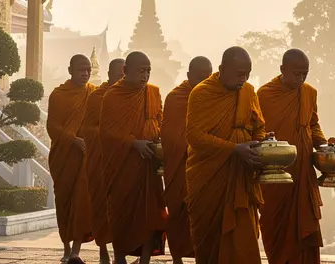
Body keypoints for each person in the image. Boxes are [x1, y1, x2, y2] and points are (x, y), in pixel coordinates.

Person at [185, 46, 267, 264]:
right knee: (210, 241)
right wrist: (234, 149)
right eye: (239, 73)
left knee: (244, 240)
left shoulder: (249, 91)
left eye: (247, 73)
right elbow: (195, 136)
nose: (244, 78)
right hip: (209, 175)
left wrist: (261, 142)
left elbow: (258, 125)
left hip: (241, 176)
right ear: (221, 69)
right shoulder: (201, 93)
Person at [258, 48, 328, 264]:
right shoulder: (264, 95)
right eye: (296, 74)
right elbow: (256, 129)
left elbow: (312, 124)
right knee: (274, 223)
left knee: (305, 227)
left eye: (304, 74)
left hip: (303, 172)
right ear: (282, 70)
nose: (301, 79)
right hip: (274, 175)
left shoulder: (309, 93)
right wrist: (263, 137)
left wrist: (325, 145)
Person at [99, 51, 166, 264]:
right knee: (121, 214)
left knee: (149, 214)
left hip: (148, 165)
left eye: (148, 71)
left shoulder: (153, 93)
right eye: (141, 71)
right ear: (126, 71)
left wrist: (158, 141)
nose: (145, 75)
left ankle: (145, 259)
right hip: (122, 166)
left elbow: (160, 121)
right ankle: (119, 258)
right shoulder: (113, 95)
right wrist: (133, 142)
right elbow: (107, 131)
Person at [161, 56, 213, 264]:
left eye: (207, 78)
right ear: (189, 75)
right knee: (178, 212)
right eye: (200, 77)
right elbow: (170, 134)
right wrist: (195, 146)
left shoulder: (213, 98)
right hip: (180, 165)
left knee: (205, 213)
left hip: (206, 166)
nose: (203, 82)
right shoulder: (176, 98)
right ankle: (177, 259)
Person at [46, 54, 97, 263]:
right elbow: (52, 127)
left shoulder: (93, 94)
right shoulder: (58, 95)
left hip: (85, 157)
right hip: (64, 156)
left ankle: (76, 251)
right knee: (64, 201)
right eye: (80, 70)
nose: (85, 74)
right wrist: (74, 139)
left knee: (82, 202)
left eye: (88, 70)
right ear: (70, 70)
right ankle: (66, 248)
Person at [81, 58, 124, 264]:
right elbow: (87, 129)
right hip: (100, 159)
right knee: (100, 206)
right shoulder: (97, 96)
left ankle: (120, 253)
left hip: (123, 161)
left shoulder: (131, 97)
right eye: (118, 76)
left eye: (125, 76)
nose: (121, 80)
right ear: (108, 74)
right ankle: (103, 251)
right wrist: (110, 133)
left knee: (121, 208)